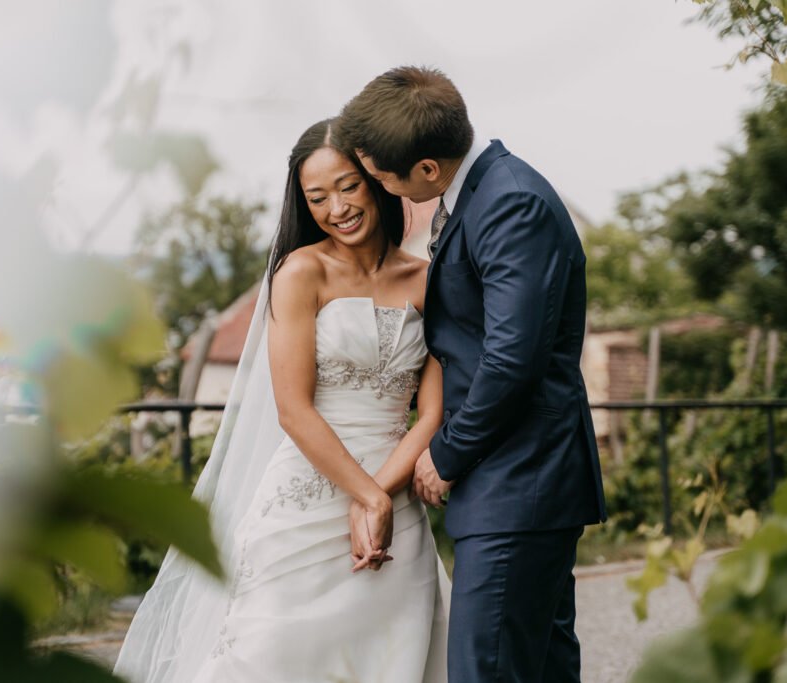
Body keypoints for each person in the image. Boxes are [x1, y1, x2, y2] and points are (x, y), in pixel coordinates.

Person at [113, 118, 449, 683]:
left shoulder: (427, 279)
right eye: (317, 197)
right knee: (272, 649)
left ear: (374, 179)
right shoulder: (301, 272)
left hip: (393, 493)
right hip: (308, 498)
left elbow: (433, 413)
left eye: (347, 187)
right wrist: (369, 499)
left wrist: (382, 497)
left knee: (390, 655)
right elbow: (293, 410)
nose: (337, 207)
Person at [337, 66, 608, 683]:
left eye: (383, 177)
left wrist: (447, 453)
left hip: (520, 477)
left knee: (485, 671)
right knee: (540, 667)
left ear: (428, 169)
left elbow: (513, 356)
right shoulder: (480, 193)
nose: (381, 189)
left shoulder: (508, 202)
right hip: (515, 480)